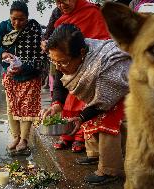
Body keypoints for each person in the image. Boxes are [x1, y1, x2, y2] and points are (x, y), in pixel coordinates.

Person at [45, 24, 131, 185]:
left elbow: (103, 102)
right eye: (54, 61)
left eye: (62, 62)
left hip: (121, 93)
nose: (58, 67)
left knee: (105, 119)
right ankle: (94, 154)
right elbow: (59, 78)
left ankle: (110, 169)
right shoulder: (63, 57)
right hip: (101, 96)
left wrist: (82, 116)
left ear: (82, 53)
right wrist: (57, 103)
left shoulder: (106, 63)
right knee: (88, 115)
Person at [41, 0, 110, 153]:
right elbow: (58, 67)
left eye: (64, 0)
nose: (61, 5)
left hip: (91, 64)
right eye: (57, 1)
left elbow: (102, 40)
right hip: (69, 61)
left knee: (87, 97)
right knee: (67, 97)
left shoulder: (92, 12)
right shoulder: (58, 16)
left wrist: (81, 61)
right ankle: (69, 133)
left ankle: (81, 135)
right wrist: (56, 103)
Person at [0, 1, 46, 152]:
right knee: (11, 107)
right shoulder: (3, 27)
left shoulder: (34, 29)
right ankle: (16, 137)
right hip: (11, 76)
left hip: (30, 75)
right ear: (10, 16)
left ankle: (24, 139)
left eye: (21, 19)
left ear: (27, 18)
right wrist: (2, 53)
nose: (17, 23)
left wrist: (23, 67)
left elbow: (41, 58)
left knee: (27, 108)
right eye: (14, 19)